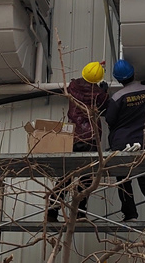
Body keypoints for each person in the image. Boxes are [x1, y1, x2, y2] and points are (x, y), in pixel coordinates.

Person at [105, 59, 145, 222]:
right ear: (133, 73)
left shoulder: (117, 97)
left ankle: (130, 214)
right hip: (142, 142)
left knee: (123, 180)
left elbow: (109, 119)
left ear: (118, 79)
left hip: (121, 143)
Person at [47, 61, 109, 222]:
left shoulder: (73, 86)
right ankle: (80, 212)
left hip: (73, 136)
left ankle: (52, 211)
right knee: (87, 177)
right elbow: (105, 106)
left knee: (66, 175)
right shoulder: (98, 94)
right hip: (91, 138)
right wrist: (104, 90)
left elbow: (80, 84)